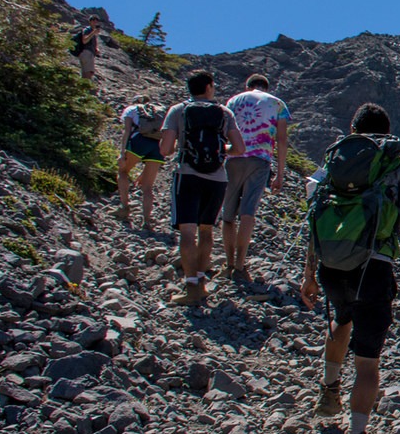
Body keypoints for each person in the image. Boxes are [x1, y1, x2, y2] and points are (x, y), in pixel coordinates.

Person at [298, 102, 400, 434]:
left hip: (332, 265)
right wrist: (381, 229)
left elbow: (313, 207)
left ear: (353, 127)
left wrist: (309, 274)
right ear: (388, 129)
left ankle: (329, 390)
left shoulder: (336, 160)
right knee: (368, 360)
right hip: (374, 265)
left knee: (341, 319)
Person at [157, 69, 245, 307]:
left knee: (187, 232)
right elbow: (239, 148)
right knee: (206, 231)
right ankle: (203, 284)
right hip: (217, 178)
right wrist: (218, 150)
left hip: (187, 175)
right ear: (208, 87)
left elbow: (165, 150)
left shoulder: (178, 110)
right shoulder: (224, 113)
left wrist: (183, 145)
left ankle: (191, 286)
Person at [220, 73, 291, 282]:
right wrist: (279, 174)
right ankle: (241, 265)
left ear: (248, 85)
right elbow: (282, 140)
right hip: (260, 160)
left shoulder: (233, 101)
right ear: (266, 87)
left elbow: (225, 131)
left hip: (233, 157)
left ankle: (229, 262)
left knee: (228, 214)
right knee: (248, 212)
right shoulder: (277, 104)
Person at [116, 94, 167, 232]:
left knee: (123, 171)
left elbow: (127, 131)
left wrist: (122, 153)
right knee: (148, 187)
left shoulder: (131, 109)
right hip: (157, 145)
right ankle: (146, 221)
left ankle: (124, 207)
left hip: (138, 141)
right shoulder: (158, 113)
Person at [74, 16, 102, 80]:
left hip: (88, 53)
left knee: (86, 73)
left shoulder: (91, 31)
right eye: (93, 20)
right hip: (86, 52)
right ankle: (86, 88)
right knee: (89, 72)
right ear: (90, 21)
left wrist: (96, 49)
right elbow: (84, 40)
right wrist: (93, 33)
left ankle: (83, 87)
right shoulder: (87, 30)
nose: (95, 22)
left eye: (96, 21)